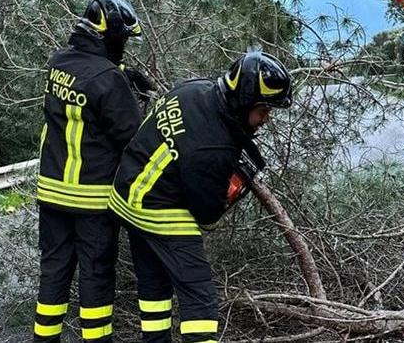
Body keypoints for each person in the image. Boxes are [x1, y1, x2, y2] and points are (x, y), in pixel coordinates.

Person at [109, 51, 293, 342]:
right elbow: (207, 213)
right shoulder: (213, 150)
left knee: (154, 290)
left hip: (125, 194)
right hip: (157, 209)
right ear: (245, 102)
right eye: (264, 110)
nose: (266, 119)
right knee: (200, 299)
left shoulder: (194, 88)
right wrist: (234, 184)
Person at [33, 0, 144, 342]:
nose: (123, 46)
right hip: (92, 199)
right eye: (121, 39)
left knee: (53, 273)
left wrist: (122, 76)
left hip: (51, 193)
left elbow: (84, 82)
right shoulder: (109, 79)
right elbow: (132, 135)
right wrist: (131, 92)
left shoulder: (57, 63)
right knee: (95, 278)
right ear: (107, 36)